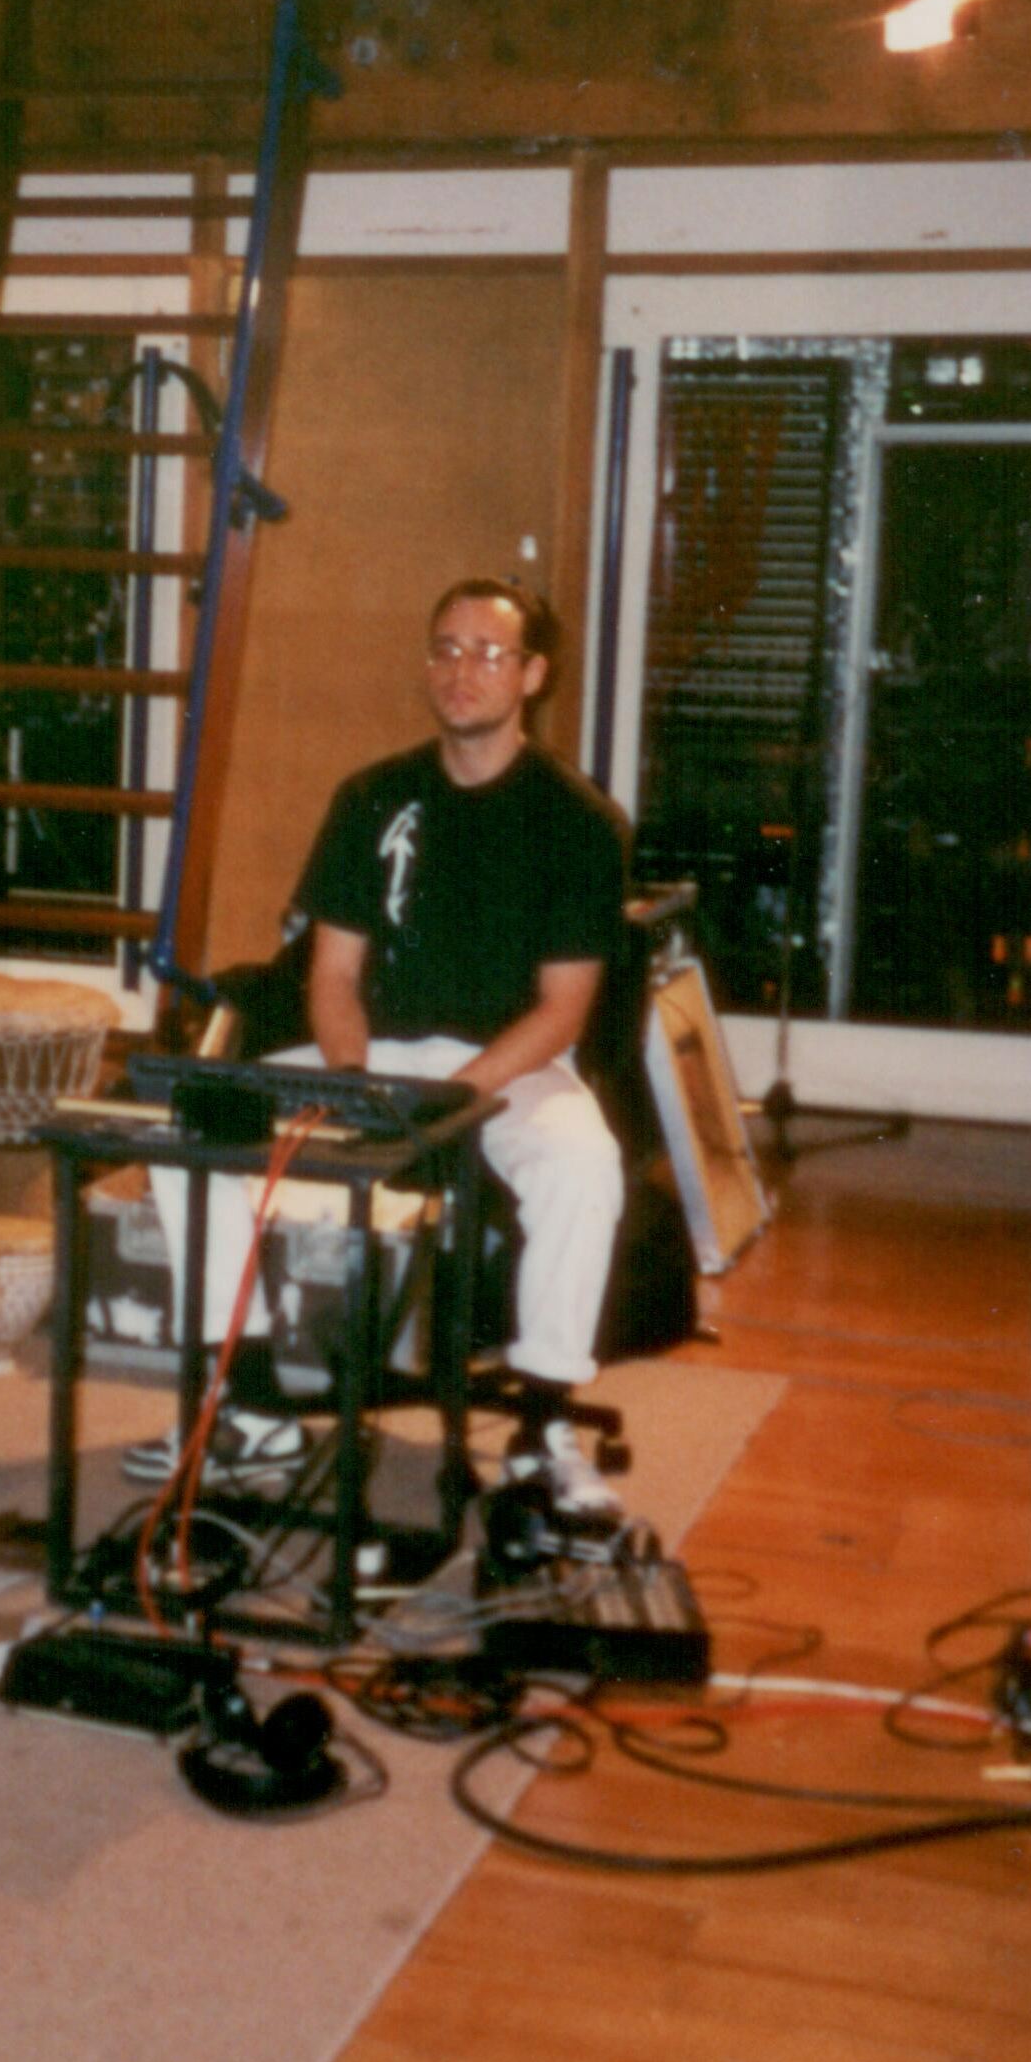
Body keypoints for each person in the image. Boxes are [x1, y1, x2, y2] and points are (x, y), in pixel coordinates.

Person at [141, 577, 631, 1512]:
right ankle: (245, 1404)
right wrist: (357, 1084)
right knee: (185, 1127)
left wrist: (449, 1098)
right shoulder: (372, 797)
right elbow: (330, 977)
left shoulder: (578, 824)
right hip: (371, 1058)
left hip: (507, 1069)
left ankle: (544, 1421)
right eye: (445, 648)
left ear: (532, 674)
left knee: (584, 1164)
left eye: (489, 653)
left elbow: (561, 1011)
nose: (462, 671)